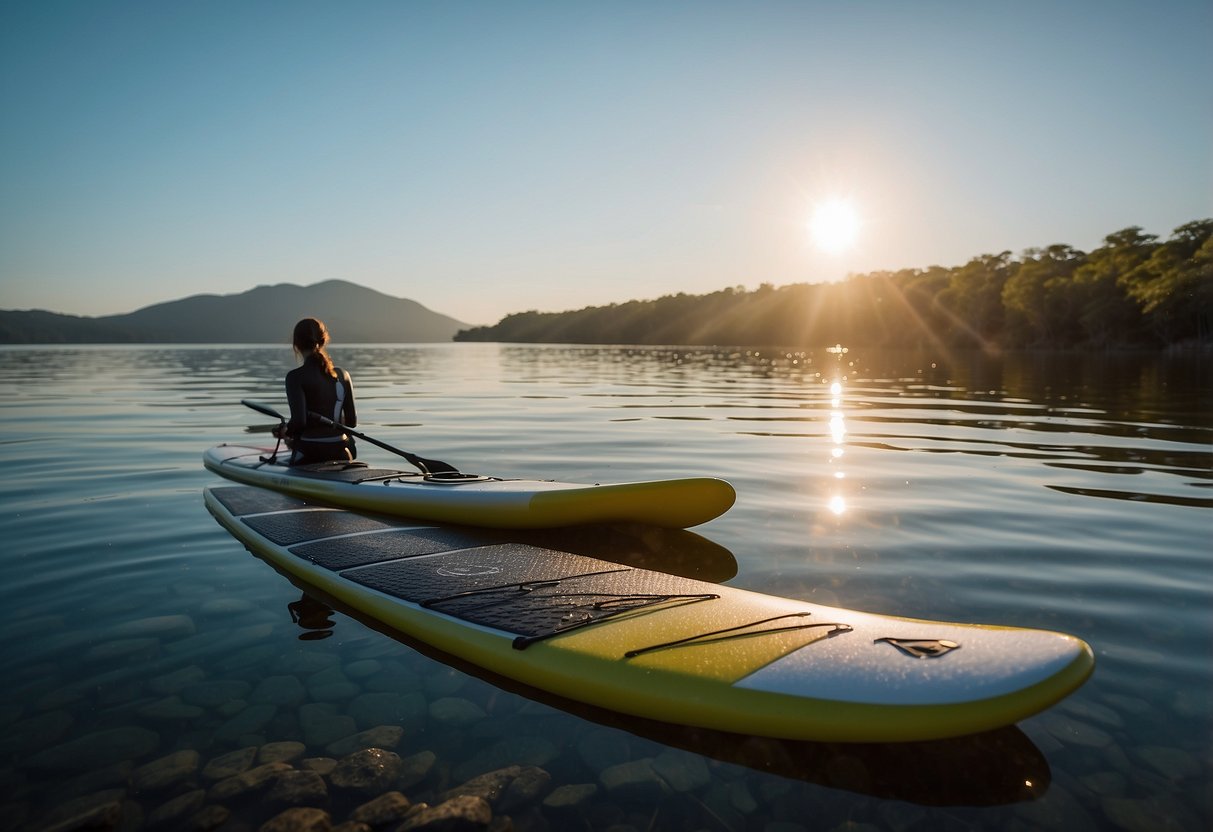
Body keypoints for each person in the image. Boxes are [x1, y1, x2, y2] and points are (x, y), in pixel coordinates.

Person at [272, 317, 358, 465]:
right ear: (323, 341)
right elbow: (351, 422)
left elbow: (299, 423)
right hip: (341, 453)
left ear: (296, 344)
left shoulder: (295, 377)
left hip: (310, 454)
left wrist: (285, 431)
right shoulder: (343, 375)